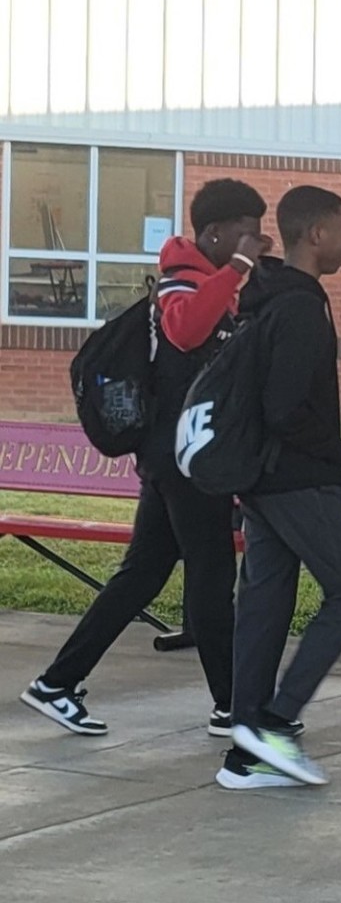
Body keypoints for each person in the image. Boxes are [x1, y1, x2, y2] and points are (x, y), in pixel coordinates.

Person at [21, 179, 272, 736]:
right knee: (210, 574)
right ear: (213, 234)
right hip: (182, 457)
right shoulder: (183, 279)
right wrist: (236, 268)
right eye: (245, 232)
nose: (256, 240)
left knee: (143, 574)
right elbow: (185, 332)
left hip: (179, 454)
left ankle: (56, 683)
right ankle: (232, 707)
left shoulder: (219, 279)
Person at [217, 185, 341, 790]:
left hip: (260, 479)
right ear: (316, 235)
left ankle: (244, 755)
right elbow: (285, 409)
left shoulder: (267, 297)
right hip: (296, 479)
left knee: (264, 602)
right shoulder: (301, 305)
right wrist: (337, 460)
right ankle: (275, 724)